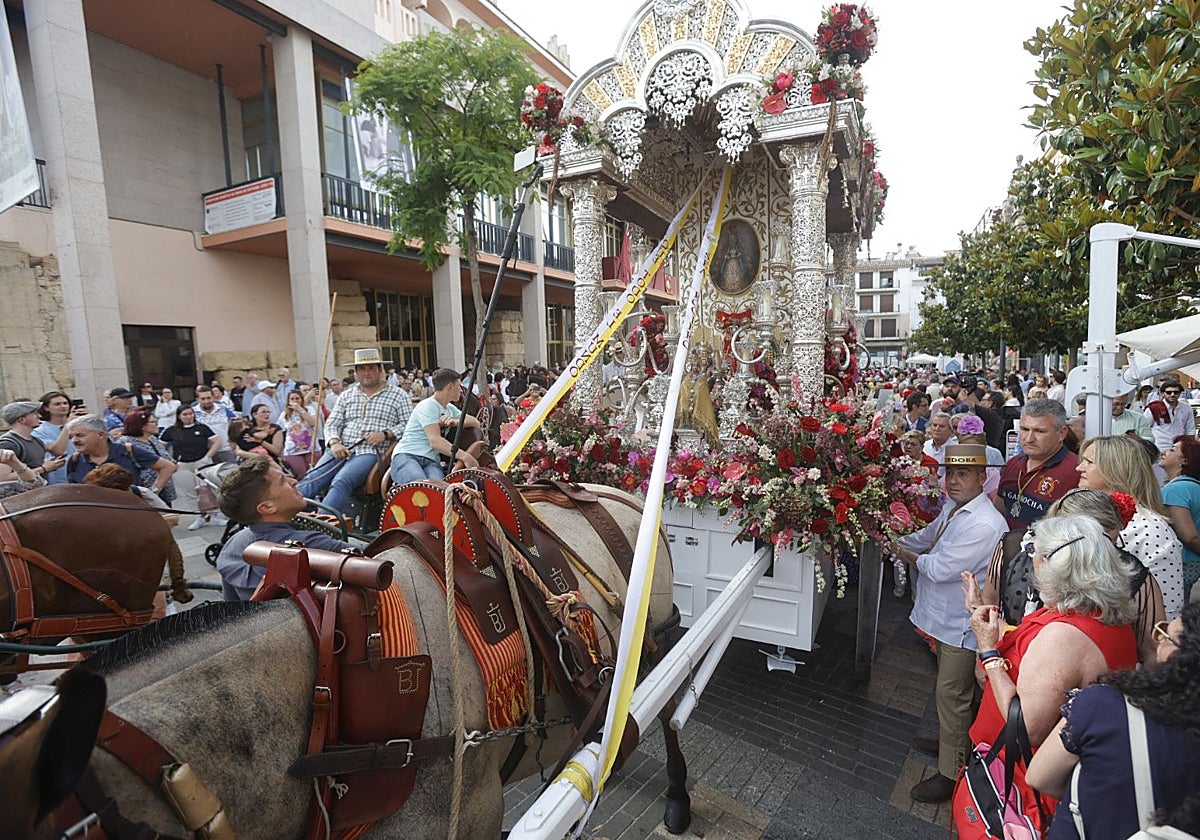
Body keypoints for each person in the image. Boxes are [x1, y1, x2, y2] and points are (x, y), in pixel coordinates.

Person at [967, 515, 1140, 829]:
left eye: (1036, 554)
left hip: (1019, 787)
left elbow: (1027, 729)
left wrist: (988, 652)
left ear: (1053, 565)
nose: (1031, 561)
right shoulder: (1102, 613)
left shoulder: (1064, 636)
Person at [891, 444, 1009, 803]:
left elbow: (939, 567)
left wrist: (906, 554)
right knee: (952, 694)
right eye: (949, 474)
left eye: (963, 474)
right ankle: (951, 744)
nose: (952, 481)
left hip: (960, 624)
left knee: (952, 696)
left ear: (982, 478)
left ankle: (951, 773)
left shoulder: (985, 523)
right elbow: (929, 538)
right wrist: (892, 536)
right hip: (943, 619)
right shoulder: (955, 509)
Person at [1026, 601, 1200, 840]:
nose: (1157, 640)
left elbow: (1038, 777)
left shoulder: (1102, 705)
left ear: (1181, 658)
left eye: (1164, 636)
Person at [978, 488, 1165, 665]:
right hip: (1010, 666)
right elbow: (990, 604)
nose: (1104, 553)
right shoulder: (1013, 547)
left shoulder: (1131, 573)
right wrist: (987, 653)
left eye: (1112, 543)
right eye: (1094, 542)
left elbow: (1152, 650)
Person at [1078, 435, 1186, 618]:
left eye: (1089, 462)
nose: (1079, 467)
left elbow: (1168, 611)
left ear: (1115, 468)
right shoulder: (1081, 516)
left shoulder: (1152, 531)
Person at [215, 458, 354, 601]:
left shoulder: (231, 545)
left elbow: (231, 608)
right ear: (267, 507)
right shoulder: (310, 544)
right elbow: (373, 562)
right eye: (282, 481)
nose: (293, 481)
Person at [297, 348, 412, 514]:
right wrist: (334, 443)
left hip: (371, 452)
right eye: (362, 369)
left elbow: (408, 425)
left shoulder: (398, 395)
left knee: (341, 481)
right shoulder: (346, 395)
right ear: (356, 372)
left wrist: (386, 434)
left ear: (380, 369)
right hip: (341, 448)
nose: (367, 373)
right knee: (312, 478)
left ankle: (322, 525)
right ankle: (288, 517)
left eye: (371, 368)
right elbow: (332, 423)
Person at [997, 398, 1081, 529]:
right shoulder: (1013, 464)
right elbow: (1000, 510)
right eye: (1024, 429)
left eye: (1039, 431)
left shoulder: (1077, 471)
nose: (1029, 439)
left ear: (1062, 433)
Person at [389, 368, 481, 485]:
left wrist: (455, 421)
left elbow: (475, 422)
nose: (461, 391)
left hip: (431, 461)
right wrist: (465, 456)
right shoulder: (428, 405)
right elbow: (435, 441)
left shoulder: (448, 408)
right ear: (450, 387)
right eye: (459, 386)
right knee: (423, 487)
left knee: (439, 491)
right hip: (408, 456)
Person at [65, 414, 177, 494]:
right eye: (71, 437)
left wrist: (152, 492)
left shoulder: (127, 451)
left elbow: (168, 467)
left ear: (100, 435)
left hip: (132, 517)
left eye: (80, 435)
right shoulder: (75, 460)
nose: (74, 440)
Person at [161, 404, 225, 531]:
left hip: (201, 462)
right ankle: (198, 516)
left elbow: (217, 441)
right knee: (189, 492)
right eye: (185, 414)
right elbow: (160, 446)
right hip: (182, 464)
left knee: (206, 490)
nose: (188, 417)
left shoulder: (202, 428)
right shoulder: (171, 430)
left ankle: (214, 515)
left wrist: (208, 456)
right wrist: (169, 461)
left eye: (190, 414)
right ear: (179, 416)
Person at [1160, 435, 1200, 600]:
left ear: (1185, 461)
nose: (1164, 452)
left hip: (1181, 561)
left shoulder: (1177, 489)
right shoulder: (1192, 486)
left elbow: (1189, 536)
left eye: (1172, 449)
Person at [118, 410, 177, 505]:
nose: (156, 424)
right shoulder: (126, 442)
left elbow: (164, 457)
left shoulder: (153, 439)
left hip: (163, 487)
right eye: (153, 422)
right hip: (144, 491)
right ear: (142, 426)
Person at [32, 391, 87, 484]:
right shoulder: (39, 431)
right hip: (60, 476)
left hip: (84, 471)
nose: (63, 406)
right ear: (46, 407)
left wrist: (88, 419)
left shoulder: (81, 424)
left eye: (65, 403)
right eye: (57, 404)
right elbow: (58, 450)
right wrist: (67, 426)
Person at [1, 400, 65, 478]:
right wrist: (44, 468)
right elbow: (3, 478)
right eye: (35, 414)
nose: (39, 416)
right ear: (22, 420)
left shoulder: (37, 441)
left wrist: (52, 464)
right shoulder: (8, 443)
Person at [1145, 380, 1196, 453]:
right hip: (1158, 449)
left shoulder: (1186, 408)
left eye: (1176, 392)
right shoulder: (1153, 408)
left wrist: (1190, 449)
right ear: (1162, 393)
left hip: (1179, 449)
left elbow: (1190, 431)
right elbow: (1144, 429)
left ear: (1180, 393)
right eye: (1169, 392)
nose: (1172, 394)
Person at [277, 390, 319, 478]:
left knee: (314, 474)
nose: (295, 401)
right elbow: (279, 429)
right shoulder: (284, 414)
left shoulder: (309, 409)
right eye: (292, 399)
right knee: (301, 475)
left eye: (297, 398)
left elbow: (313, 423)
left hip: (311, 448)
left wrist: (300, 409)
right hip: (292, 450)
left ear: (301, 400)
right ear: (288, 401)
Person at [193, 386, 237, 464]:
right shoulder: (193, 412)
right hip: (203, 451)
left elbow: (234, 424)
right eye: (203, 399)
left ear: (213, 397)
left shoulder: (223, 409)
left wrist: (233, 440)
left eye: (209, 398)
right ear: (197, 399)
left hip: (225, 449)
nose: (206, 401)